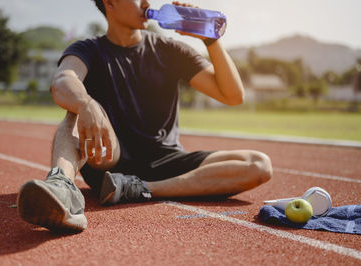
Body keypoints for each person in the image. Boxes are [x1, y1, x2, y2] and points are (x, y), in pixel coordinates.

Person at [17, 0, 273, 233]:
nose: (147, 3)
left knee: (258, 164)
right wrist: (85, 103)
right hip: (108, 158)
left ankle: (138, 189)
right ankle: (62, 185)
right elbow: (62, 81)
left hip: (167, 159)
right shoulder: (88, 49)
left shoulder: (170, 49)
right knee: (73, 112)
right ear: (110, 3)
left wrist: (211, 40)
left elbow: (232, 95)